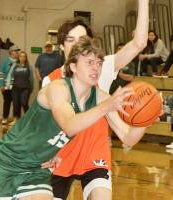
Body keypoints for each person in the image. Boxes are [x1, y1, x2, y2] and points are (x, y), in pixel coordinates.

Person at [0, 36, 148, 200]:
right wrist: (107, 106)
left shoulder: (100, 97)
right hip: (8, 162)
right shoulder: (58, 88)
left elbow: (128, 137)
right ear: (73, 67)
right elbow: (69, 125)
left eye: (99, 63)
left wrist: (146, 117)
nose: (96, 68)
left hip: (37, 168)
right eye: (89, 62)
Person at [41, 1, 149, 199]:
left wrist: (143, 2)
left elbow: (139, 43)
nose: (75, 45)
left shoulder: (100, 66)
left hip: (94, 153)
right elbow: (48, 125)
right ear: (62, 46)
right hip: (60, 155)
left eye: (81, 39)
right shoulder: (51, 81)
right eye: (70, 40)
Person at [0, 45, 20, 125]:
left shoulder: (19, 62)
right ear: (11, 52)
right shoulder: (5, 61)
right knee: (7, 102)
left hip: (16, 86)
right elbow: (0, 74)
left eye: (17, 51)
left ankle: (15, 119)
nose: (17, 52)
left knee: (16, 103)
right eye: (15, 51)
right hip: (6, 86)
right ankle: (5, 118)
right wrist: (1, 85)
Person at [10, 51, 34, 125]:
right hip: (15, 88)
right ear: (18, 57)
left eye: (24, 56)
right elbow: (11, 76)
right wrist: (9, 85)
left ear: (26, 58)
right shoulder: (15, 66)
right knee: (16, 104)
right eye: (21, 56)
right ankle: (16, 119)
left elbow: (31, 79)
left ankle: (28, 119)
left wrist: (30, 89)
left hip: (25, 88)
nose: (22, 58)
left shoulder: (29, 66)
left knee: (24, 103)